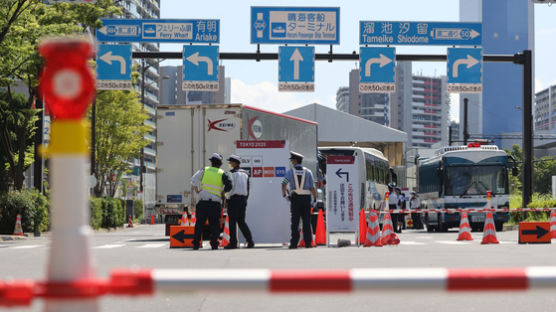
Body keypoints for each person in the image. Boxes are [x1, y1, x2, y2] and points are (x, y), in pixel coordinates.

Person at [190, 153, 232, 250]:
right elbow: (229, 186)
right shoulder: (223, 173)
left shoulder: (205, 170)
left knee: (199, 224)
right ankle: (214, 244)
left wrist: (196, 189)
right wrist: (223, 193)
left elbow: (193, 180)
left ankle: (196, 244)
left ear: (211, 162)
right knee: (215, 225)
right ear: (220, 164)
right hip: (215, 203)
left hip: (203, 202)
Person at [281, 152, 317, 249]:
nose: (291, 162)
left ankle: (293, 244)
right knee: (306, 221)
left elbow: (283, 184)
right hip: (306, 198)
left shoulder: (290, 172)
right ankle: (308, 243)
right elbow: (312, 187)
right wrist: (315, 199)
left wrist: (285, 195)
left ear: (296, 161)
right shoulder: (308, 172)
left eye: (292, 160)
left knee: (295, 222)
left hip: (295, 198)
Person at [224, 155, 255, 249]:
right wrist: (245, 199)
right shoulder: (245, 173)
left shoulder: (231, 173)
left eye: (230, 162)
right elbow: (248, 188)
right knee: (241, 222)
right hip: (243, 200)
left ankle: (233, 243)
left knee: (232, 222)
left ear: (235, 163)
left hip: (234, 200)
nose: (229, 163)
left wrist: (227, 200)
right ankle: (250, 241)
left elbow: (229, 188)